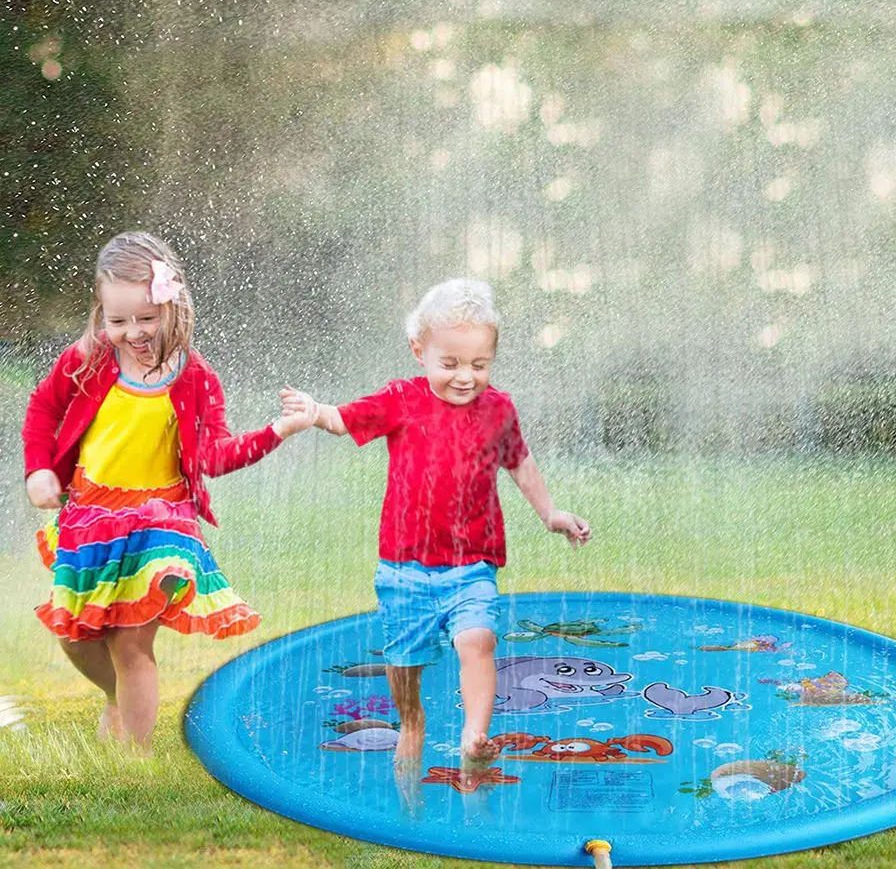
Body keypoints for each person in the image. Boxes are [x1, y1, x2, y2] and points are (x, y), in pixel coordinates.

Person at [280, 278, 591, 783]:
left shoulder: (499, 409)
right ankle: (412, 720)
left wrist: (550, 513)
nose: (465, 377)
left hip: (472, 564)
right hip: (404, 565)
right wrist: (316, 412)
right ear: (419, 351)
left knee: (479, 639)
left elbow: (519, 462)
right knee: (403, 660)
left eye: (479, 364)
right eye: (450, 364)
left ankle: (474, 734)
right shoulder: (401, 400)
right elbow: (345, 419)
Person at [21, 231, 313, 756]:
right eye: (118, 320)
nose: (133, 332)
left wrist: (277, 431)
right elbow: (43, 412)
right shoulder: (85, 359)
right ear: (101, 313)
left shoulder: (196, 377)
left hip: (161, 518)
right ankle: (119, 697)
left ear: (172, 306)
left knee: (132, 640)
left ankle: (136, 759)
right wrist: (39, 471)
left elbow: (216, 456)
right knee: (76, 635)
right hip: (91, 514)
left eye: (146, 318)